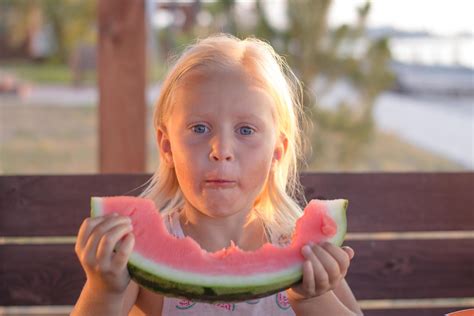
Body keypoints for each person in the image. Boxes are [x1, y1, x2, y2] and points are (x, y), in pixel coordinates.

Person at [72, 33, 363, 316]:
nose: (221, 150)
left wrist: (312, 300)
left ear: (277, 151)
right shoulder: (134, 255)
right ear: (167, 146)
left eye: (245, 130)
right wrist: (104, 290)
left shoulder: (305, 252)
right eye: (199, 128)